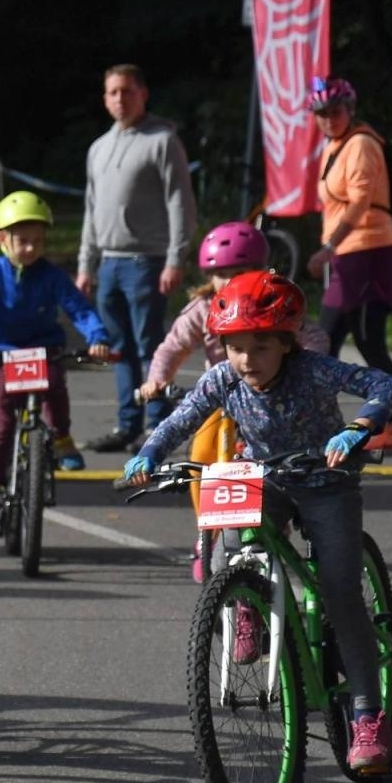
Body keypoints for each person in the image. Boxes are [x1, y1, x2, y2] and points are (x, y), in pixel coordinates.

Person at [124, 271, 392, 774]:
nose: (246, 359)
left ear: (286, 342)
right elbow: (181, 419)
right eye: (234, 347)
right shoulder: (223, 378)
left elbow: (385, 384)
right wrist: (149, 452)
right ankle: (245, 604)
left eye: (260, 347)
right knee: (224, 547)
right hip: (265, 478)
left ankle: (368, 716)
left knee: (340, 592)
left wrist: (359, 427)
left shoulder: (313, 369)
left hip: (326, 482)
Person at [139, 222, 330, 580]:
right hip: (222, 399)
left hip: (269, 397)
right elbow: (171, 347)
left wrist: (306, 367)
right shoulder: (202, 309)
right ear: (208, 277)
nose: (229, 282)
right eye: (221, 274)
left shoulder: (273, 303)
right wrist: (157, 379)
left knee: (275, 464)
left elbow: (313, 336)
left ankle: (272, 524)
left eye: (240, 273)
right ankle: (207, 533)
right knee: (201, 456)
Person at [0, 192, 112, 535]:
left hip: (44, 349)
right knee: (1, 426)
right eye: (23, 241)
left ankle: (62, 438)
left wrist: (97, 338)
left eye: (38, 241)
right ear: (3, 239)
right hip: (2, 352)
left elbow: (78, 309)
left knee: (55, 386)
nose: (31, 248)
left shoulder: (51, 275)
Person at [76, 64, 197, 454]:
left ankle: (156, 425)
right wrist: (86, 265)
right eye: (112, 92)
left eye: (127, 91)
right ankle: (127, 424)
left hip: (147, 260)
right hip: (109, 262)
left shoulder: (162, 141)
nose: (120, 99)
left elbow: (180, 203)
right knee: (119, 349)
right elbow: (91, 210)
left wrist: (175, 258)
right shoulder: (98, 147)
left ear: (143, 93)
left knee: (150, 347)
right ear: (105, 98)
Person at [304, 75, 392, 454]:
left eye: (334, 112)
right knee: (338, 342)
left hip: (369, 251)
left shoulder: (361, 144)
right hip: (352, 255)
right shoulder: (335, 146)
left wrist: (328, 247)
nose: (327, 119)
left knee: (333, 342)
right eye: (320, 113)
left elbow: (360, 202)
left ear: (349, 109)